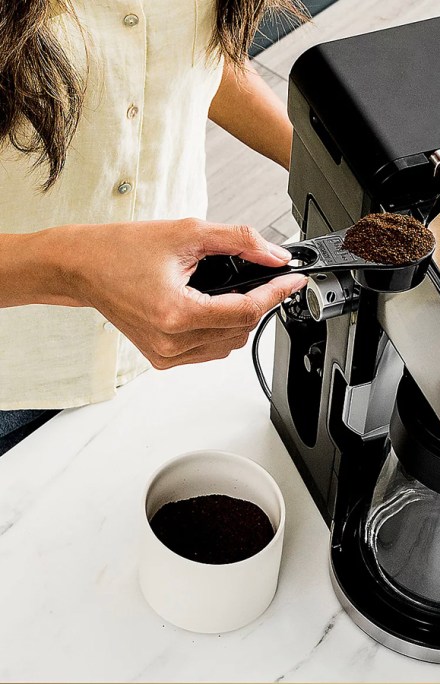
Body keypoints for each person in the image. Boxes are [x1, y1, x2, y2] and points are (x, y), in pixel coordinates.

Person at [0, 0, 308, 454]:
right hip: (19, 375)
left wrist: (314, 162)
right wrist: (74, 268)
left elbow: (192, 51)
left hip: (179, 332)